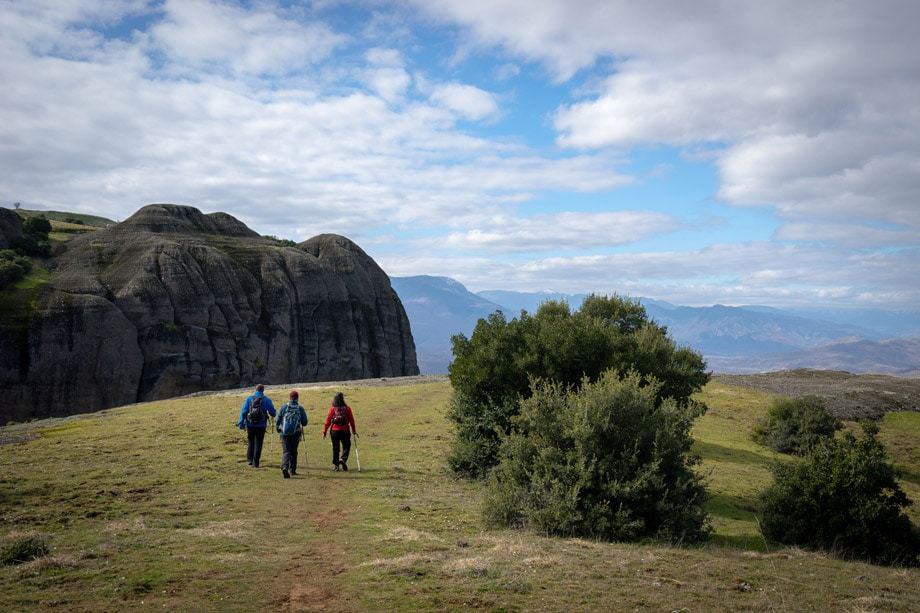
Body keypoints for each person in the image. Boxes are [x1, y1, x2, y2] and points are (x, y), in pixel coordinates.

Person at [237, 384, 276, 468]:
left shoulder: (249, 399)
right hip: (261, 425)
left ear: (255, 389)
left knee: (251, 441)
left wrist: (241, 423)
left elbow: (244, 412)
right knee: (259, 443)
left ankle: (250, 460)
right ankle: (256, 463)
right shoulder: (266, 400)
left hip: (250, 424)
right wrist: (273, 413)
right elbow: (272, 412)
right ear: (263, 390)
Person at [276, 390, 308, 479]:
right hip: (296, 433)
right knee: (294, 451)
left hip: (284, 433)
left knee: (286, 451)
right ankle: (292, 470)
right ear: (297, 398)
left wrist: (278, 428)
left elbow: (278, 419)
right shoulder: (300, 408)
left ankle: (284, 467)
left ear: (290, 398)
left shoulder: (284, 407)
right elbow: (305, 422)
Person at [322, 392, 357, 471]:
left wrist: (324, 431)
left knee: (335, 448)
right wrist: (354, 430)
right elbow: (352, 420)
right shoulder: (347, 409)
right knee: (346, 446)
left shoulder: (333, 409)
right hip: (345, 431)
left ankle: (336, 466)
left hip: (334, 431)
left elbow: (328, 421)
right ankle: (343, 459)